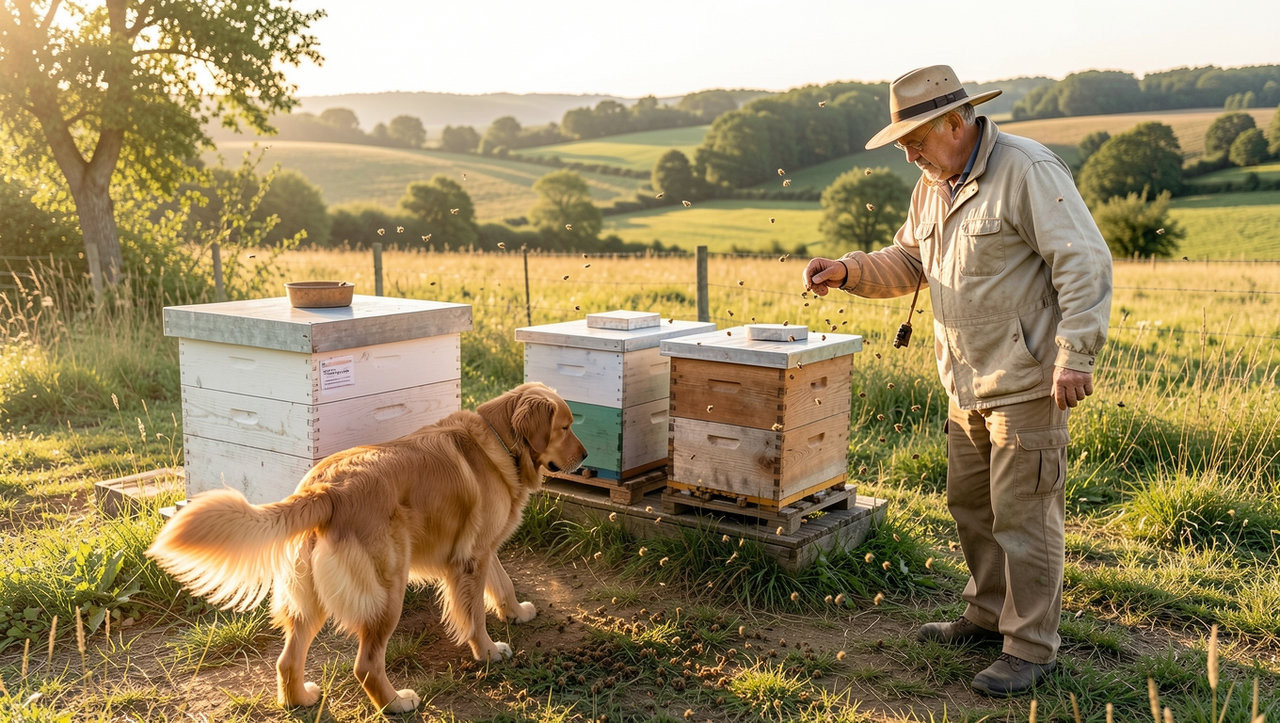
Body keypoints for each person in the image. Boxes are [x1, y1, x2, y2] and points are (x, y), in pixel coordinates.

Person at [803, 65, 1112, 696]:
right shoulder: (933, 185)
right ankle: (986, 613)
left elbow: (1081, 260)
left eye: (915, 138)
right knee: (972, 506)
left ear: (955, 121)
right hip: (964, 378)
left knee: (1024, 517)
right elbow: (913, 259)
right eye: (903, 143)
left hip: (1027, 378)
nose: (909, 153)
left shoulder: (1027, 170)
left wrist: (1075, 354)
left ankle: (1029, 647)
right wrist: (848, 269)